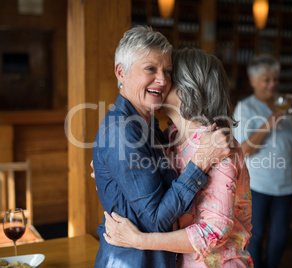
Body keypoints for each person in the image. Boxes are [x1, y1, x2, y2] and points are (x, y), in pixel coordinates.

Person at [92, 26, 233, 268]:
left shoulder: (157, 130)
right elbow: (157, 219)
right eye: (150, 69)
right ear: (120, 72)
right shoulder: (124, 132)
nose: (163, 80)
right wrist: (199, 163)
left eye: (168, 72)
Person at [232, 54, 292, 268]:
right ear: (253, 80)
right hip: (257, 185)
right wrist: (269, 121)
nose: (273, 84)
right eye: (267, 79)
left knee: (281, 238)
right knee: (255, 237)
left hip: (284, 186)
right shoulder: (245, 108)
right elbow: (243, 150)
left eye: (275, 79)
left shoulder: (286, 109)